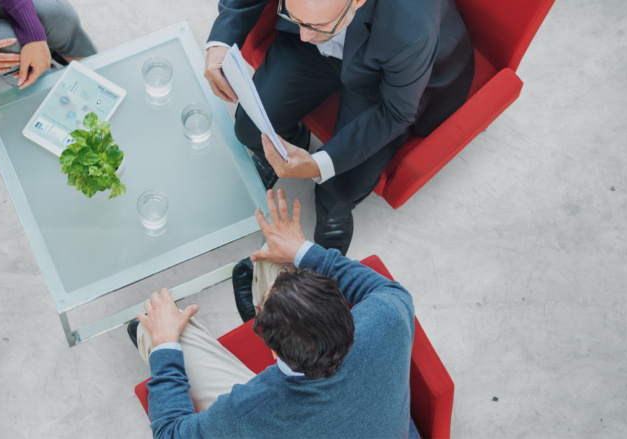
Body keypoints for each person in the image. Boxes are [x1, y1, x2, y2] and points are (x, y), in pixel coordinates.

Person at [127, 189, 419, 437]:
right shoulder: (390, 315)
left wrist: (165, 344)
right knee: (276, 256)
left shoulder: (251, 411)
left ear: (267, 341)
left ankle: (154, 338)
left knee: (154, 329)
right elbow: (390, 291)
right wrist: (304, 251)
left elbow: (170, 433)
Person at [205, 0, 474, 257]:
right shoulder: (306, 34)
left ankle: (333, 208)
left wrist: (317, 164)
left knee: (346, 183)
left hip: (382, 76)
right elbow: (303, 32)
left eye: (317, 26)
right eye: (294, 17)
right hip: (315, 57)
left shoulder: (410, 27)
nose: (303, 36)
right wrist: (221, 40)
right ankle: (294, 139)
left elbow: (395, 112)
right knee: (249, 129)